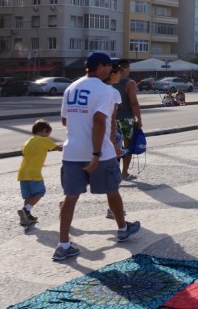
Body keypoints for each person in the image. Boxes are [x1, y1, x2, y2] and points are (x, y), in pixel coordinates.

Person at [55, 52, 140, 262]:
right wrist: (96, 153)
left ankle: (63, 245)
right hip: (100, 153)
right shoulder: (105, 90)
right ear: (100, 66)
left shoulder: (71, 88)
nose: (111, 70)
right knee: (112, 190)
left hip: (72, 151)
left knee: (70, 197)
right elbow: (101, 121)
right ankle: (122, 229)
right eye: (108, 66)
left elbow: (65, 121)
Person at [16, 119, 62, 226]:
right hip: (34, 173)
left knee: (28, 196)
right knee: (40, 192)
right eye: (48, 134)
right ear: (44, 131)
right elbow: (58, 148)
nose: (48, 136)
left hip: (22, 174)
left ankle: (25, 218)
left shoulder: (26, 142)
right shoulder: (43, 140)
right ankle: (26, 210)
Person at [112, 59, 143, 182]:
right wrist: (139, 119)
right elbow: (134, 102)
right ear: (125, 68)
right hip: (126, 119)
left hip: (113, 119)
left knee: (114, 146)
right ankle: (124, 173)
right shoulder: (130, 83)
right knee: (127, 146)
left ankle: (114, 172)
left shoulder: (110, 82)